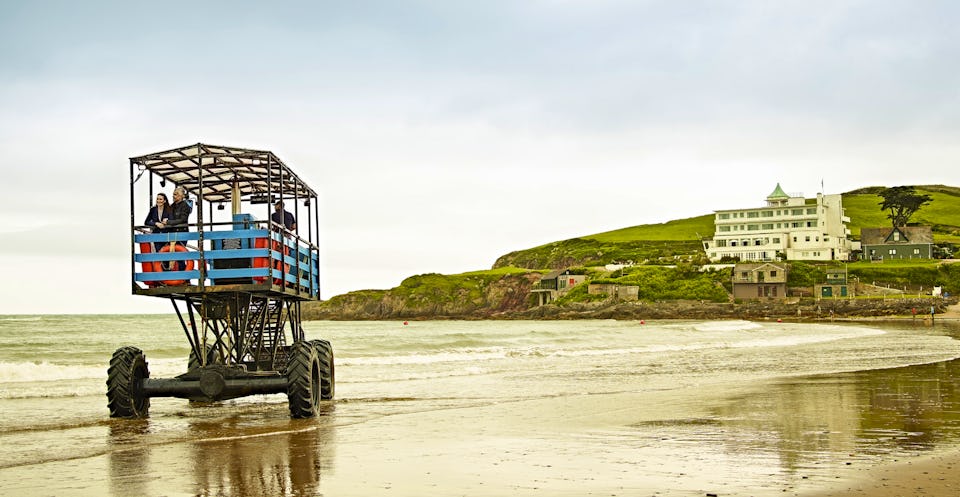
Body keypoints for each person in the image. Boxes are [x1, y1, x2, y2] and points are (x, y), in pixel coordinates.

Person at [155, 186, 192, 270]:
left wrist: (168, 222)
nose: (174, 196)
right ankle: (169, 277)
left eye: (176, 194)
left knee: (179, 255)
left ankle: (183, 278)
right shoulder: (171, 206)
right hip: (171, 233)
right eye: (173, 194)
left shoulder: (185, 206)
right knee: (168, 254)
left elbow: (183, 219)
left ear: (182, 196)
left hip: (181, 233)